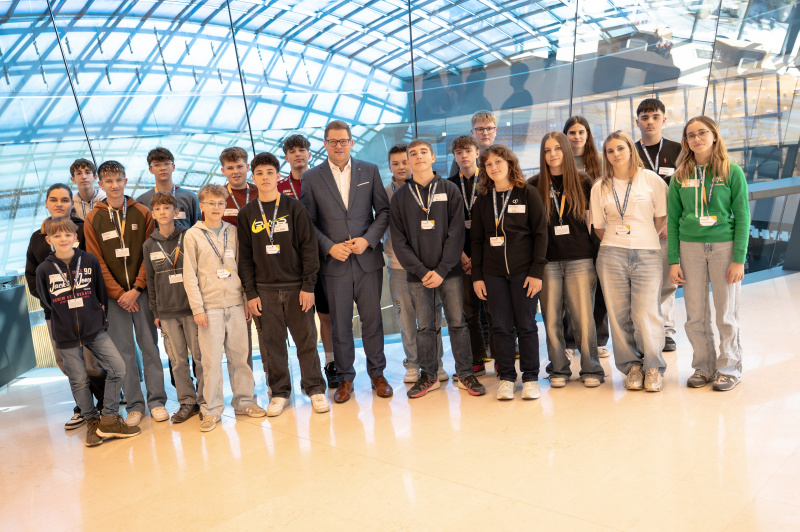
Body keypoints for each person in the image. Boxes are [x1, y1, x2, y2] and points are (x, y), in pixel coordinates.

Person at [300, 120, 392, 404]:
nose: (338, 146)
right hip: (335, 264)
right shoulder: (312, 177)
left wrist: (368, 240)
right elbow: (308, 222)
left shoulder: (370, 170)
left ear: (352, 142)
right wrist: (328, 247)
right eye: (332, 141)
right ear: (325, 144)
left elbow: (384, 212)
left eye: (343, 141)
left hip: (367, 259)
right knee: (339, 325)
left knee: (372, 321)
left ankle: (377, 374)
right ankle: (346, 379)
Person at [389, 139, 486, 398]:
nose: (418, 157)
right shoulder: (400, 197)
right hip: (417, 275)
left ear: (433, 158)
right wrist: (421, 271)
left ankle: (466, 373)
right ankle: (429, 376)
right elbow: (399, 241)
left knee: (458, 323)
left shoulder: (450, 190)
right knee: (425, 327)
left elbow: (456, 235)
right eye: (413, 154)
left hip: (450, 272)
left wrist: (442, 269)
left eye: (423, 152)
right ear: (407, 161)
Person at [239, 152, 329, 417]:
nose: (265, 177)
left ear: (278, 176)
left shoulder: (293, 207)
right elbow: (244, 257)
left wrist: (308, 286)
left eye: (270, 173)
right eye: (259, 174)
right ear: (252, 179)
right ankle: (279, 393)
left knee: (307, 341)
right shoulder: (247, 214)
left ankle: (314, 389)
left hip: (296, 287)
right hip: (264, 291)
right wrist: (251, 293)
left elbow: (309, 249)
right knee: (272, 345)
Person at [35, 217, 139, 446]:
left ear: (76, 238)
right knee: (79, 379)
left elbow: (100, 292)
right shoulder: (43, 269)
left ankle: (109, 417)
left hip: (94, 328)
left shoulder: (89, 260)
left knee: (118, 368)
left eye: (68, 235)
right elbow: (46, 300)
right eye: (57, 235)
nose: (63, 239)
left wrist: (97, 317)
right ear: (49, 239)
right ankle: (91, 421)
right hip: (65, 333)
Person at [668, 116, 750, 391]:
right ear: (686, 142)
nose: (696, 139)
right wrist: (673, 261)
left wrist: (739, 258)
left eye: (702, 133)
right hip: (690, 249)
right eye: (690, 135)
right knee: (695, 314)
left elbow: (742, 216)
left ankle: (729, 367)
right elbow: (672, 220)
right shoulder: (680, 176)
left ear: (714, 136)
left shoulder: (731, 171)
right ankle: (704, 367)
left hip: (724, 247)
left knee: (726, 313)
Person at [84, 161, 168, 426]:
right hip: (114, 298)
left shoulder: (142, 212)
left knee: (150, 348)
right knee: (123, 353)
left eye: (119, 180)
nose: (114, 185)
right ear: (100, 184)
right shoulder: (93, 217)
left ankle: (157, 402)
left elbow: (149, 252)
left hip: (141, 294)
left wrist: (137, 289)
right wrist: (120, 293)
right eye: (108, 181)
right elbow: (95, 259)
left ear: (126, 180)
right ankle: (134, 405)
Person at [183, 184, 266, 431]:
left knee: (240, 357)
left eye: (220, 203)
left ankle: (244, 401)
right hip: (209, 308)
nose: (216, 207)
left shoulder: (233, 231)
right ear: (202, 205)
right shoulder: (193, 235)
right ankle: (211, 410)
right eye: (211, 203)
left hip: (235, 304)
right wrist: (198, 308)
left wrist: (244, 299)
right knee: (210, 361)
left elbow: (242, 266)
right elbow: (190, 275)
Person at [591, 131, 668, 392]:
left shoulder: (651, 181)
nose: (615, 154)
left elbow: (661, 219)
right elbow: (599, 227)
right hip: (612, 253)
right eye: (610, 151)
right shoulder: (600, 186)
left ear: (630, 150)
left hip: (647, 252)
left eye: (620, 148)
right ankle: (632, 366)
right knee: (619, 314)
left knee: (646, 312)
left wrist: (643, 235)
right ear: (606, 156)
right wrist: (619, 239)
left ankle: (654, 367)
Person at [25, 184, 106, 430]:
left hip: (87, 311)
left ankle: (102, 404)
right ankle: (83, 405)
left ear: (72, 203)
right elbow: (32, 277)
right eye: (53, 199)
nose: (59, 204)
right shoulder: (38, 238)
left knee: (92, 362)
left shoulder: (83, 229)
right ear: (46, 204)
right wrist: (55, 305)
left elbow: (95, 267)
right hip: (57, 314)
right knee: (66, 361)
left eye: (64, 200)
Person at [472, 145, 547, 400]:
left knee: (526, 326)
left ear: (509, 163)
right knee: (500, 327)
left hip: (524, 272)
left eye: (498, 162)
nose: (494, 167)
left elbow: (540, 234)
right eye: (488, 164)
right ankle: (505, 377)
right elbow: (478, 240)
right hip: (493, 275)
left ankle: (530, 378)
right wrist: (477, 276)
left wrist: (537, 272)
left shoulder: (528, 193)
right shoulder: (483, 198)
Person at [531, 132, 604, 388]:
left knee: (584, 318)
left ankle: (591, 369)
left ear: (565, 150)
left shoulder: (583, 182)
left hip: (580, 259)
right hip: (548, 261)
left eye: (557, 149)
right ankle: (559, 369)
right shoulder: (534, 185)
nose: (552, 154)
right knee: (551, 319)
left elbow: (591, 224)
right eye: (547, 150)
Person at [384, 144, 446, 384]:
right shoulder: (384, 192)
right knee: (406, 317)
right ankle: (413, 362)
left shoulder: (429, 189)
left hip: (428, 266)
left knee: (431, 317)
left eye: (405, 161)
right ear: (389, 166)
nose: (401, 166)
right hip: (398, 266)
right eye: (396, 163)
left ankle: (436, 363)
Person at [279, 134, 337, 389]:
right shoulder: (278, 188)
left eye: (302, 149)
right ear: (286, 157)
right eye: (292, 151)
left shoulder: (323, 181)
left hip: (322, 258)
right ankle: (306, 372)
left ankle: (331, 362)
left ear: (310, 153)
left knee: (325, 315)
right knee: (302, 323)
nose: (298, 154)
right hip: (291, 264)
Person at [143, 192, 204, 423]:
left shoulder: (188, 236)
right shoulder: (149, 244)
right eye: (157, 209)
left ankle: (205, 399)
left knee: (199, 356)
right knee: (177, 360)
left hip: (191, 308)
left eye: (167, 208)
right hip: (167, 313)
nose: (162, 212)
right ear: (153, 214)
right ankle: (187, 401)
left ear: (176, 212)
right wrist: (156, 312)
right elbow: (150, 280)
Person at [216, 147, 269, 379]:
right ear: (223, 170)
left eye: (240, 166)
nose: (236, 171)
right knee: (239, 333)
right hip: (230, 271)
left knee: (265, 328)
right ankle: (245, 386)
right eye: (230, 168)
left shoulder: (261, 191)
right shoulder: (218, 198)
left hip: (262, 268)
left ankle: (272, 379)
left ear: (248, 167)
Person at [634, 98, 683, 352]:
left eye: (654, 117)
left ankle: (666, 331)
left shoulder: (679, 150)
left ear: (664, 120)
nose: (649, 121)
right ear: (637, 121)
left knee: (666, 283)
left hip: (668, 229)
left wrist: (670, 226)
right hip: (639, 231)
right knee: (641, 283)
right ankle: (642, 330)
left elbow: (686, 191)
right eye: (644, 117)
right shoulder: (629, 153)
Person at [563, 116, 610, 358]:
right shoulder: (560, 160)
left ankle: (600, 339)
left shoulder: (600, 162)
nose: (577, 137)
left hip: (599, 230)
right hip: (571, 230)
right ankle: (570, 341)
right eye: (572, 132)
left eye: (582, 132)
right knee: (572, 289)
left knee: (600, 286)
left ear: (588, 135)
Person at [447, 135, 490, 375]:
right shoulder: (448, 184)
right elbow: (446, 226)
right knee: (469, 312)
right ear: (454, 157)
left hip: (488, 253)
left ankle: (499, 353)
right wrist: (463, 256)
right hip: (461, 255)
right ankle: (477, 359)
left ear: (477, 153)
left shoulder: (489, 180)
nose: (463, 155)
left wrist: (480, 258)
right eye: (459, 152)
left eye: (468, 151)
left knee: (494, 309)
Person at [136, 147, 200, 230]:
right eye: (157, 165)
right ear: (150, 170)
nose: (163, 168)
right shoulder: (142, 201)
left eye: (166, 164)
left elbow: (198, 230)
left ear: (173, 167)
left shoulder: (190, 198)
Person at [448, 110, 498, 181]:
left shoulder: (503, 156)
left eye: (489, 128)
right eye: (480, 129)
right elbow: (452, 185)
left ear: (495, 131)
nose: (485, 133)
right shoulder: (462, 156)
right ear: (472, 132)